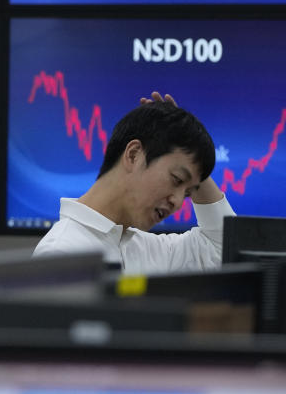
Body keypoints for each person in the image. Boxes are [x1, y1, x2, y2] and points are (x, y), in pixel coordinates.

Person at [33, 92, 234, 274]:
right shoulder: (60, 255)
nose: (179, 202)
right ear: (134, 154)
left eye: (188, 192)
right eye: (177, 180)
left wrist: (192, 151)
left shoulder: (141, 246)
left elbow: (223, 249)